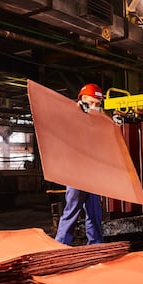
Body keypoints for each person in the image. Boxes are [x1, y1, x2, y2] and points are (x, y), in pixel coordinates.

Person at [54, 83, 105, 245]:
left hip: (94, 173)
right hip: (76, 172)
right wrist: (77, 114)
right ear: (82, 100)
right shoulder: (71, 117)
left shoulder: (97, 120)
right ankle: (61, 244)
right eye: (91, 103)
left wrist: (114, 124)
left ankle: (96, 244)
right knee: (72, 210)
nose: (94, 107)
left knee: (94, 211)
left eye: (97, 104)